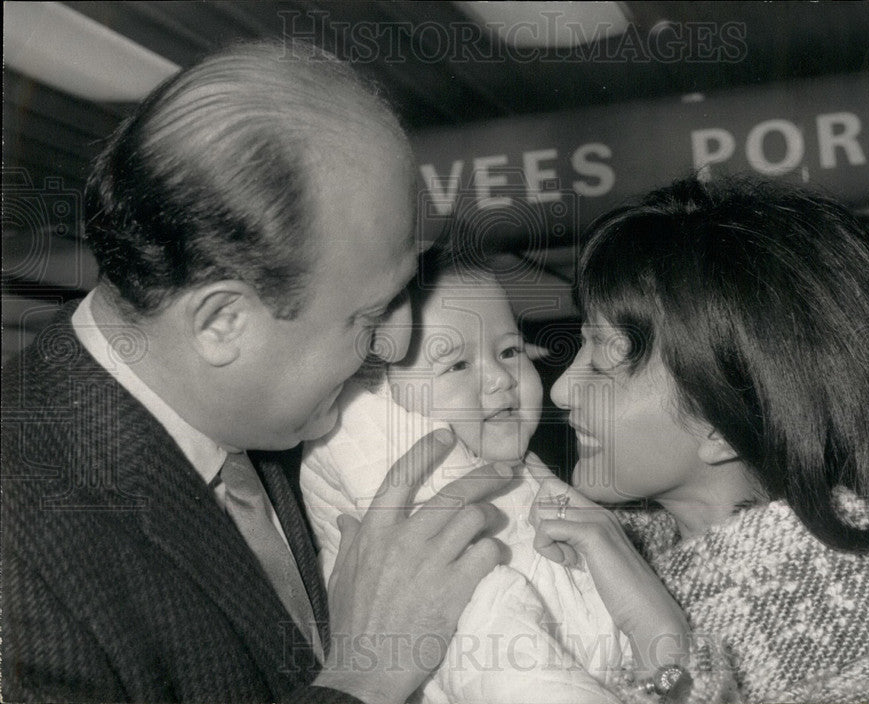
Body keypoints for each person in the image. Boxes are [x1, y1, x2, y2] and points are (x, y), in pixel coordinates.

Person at [1, 40, 514, 704]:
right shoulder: (20, 549)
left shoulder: (274, 424)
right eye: (370, 312)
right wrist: (362, 677)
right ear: (221, 323)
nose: (396, 342)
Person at [527, 175, 869, 703]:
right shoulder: (578, 566)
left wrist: (667, 657)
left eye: (605, 359)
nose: (564, 389)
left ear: (720, 419)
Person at [300, 246, 629, 703]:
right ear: (379, 394)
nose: (499, 377)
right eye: (456, 364)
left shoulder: (520, 473)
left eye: (510, 349)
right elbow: (501, 660)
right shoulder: (419, 507)